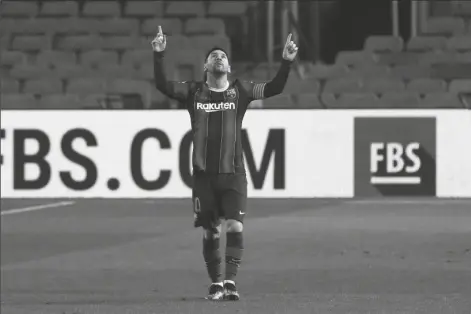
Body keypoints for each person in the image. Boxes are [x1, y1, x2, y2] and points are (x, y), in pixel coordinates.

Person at [151, 25, 298, 301]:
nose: (219, 58)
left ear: (229, 68)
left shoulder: (240, 90)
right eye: (213, 56)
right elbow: (163, 86)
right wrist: (159, 55)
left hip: (234, 174)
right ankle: (215, 283)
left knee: (235, 226)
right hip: (204, 176)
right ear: (205, 66)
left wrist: (287, 61)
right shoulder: (193, 91)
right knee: (210, 230)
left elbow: (275, 87)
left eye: (223, 56)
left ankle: (230, 281)